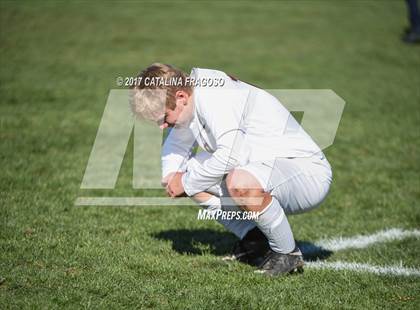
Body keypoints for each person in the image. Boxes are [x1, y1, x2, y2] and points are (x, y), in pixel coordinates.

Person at [130, 63, 333, 276]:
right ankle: (255, 240)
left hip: (306, 172)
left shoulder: (214, 97)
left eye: (163, 118)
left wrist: (187, 183)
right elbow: (179, 143)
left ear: (181, 97)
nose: (162, 126)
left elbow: (230, 156)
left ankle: (288, 254)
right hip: (269, 167)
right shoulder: (193, 97)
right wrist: (171, 177)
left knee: (235, 182)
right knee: (190, 174)